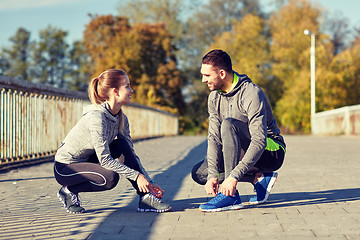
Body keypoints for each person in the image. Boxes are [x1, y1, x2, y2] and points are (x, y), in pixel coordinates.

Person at [54, 69, 172, 214]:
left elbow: (130, 156)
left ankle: (146, 198)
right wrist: (137, 176)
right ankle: (68, 190)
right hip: (66, 167)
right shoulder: (96, 118)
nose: (132, 90)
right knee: (109, 178)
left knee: (122, 146)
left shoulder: (122, 118)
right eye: (127, 86)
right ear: (115, 91)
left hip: (88, 160)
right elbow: (105, 160)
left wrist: (149, 182)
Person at [192, 50, 286, 212]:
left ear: (221, 73)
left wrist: (233, 177)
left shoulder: (251, 93)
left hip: (271, 151)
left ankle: (231, 196)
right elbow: (214, 138)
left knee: (229, 125)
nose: (203, 80)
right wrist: (213, 175)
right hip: (243, 150)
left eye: (207, 75)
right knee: (201, 173)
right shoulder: (214, 97)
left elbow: (259, 140)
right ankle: (259, 178)